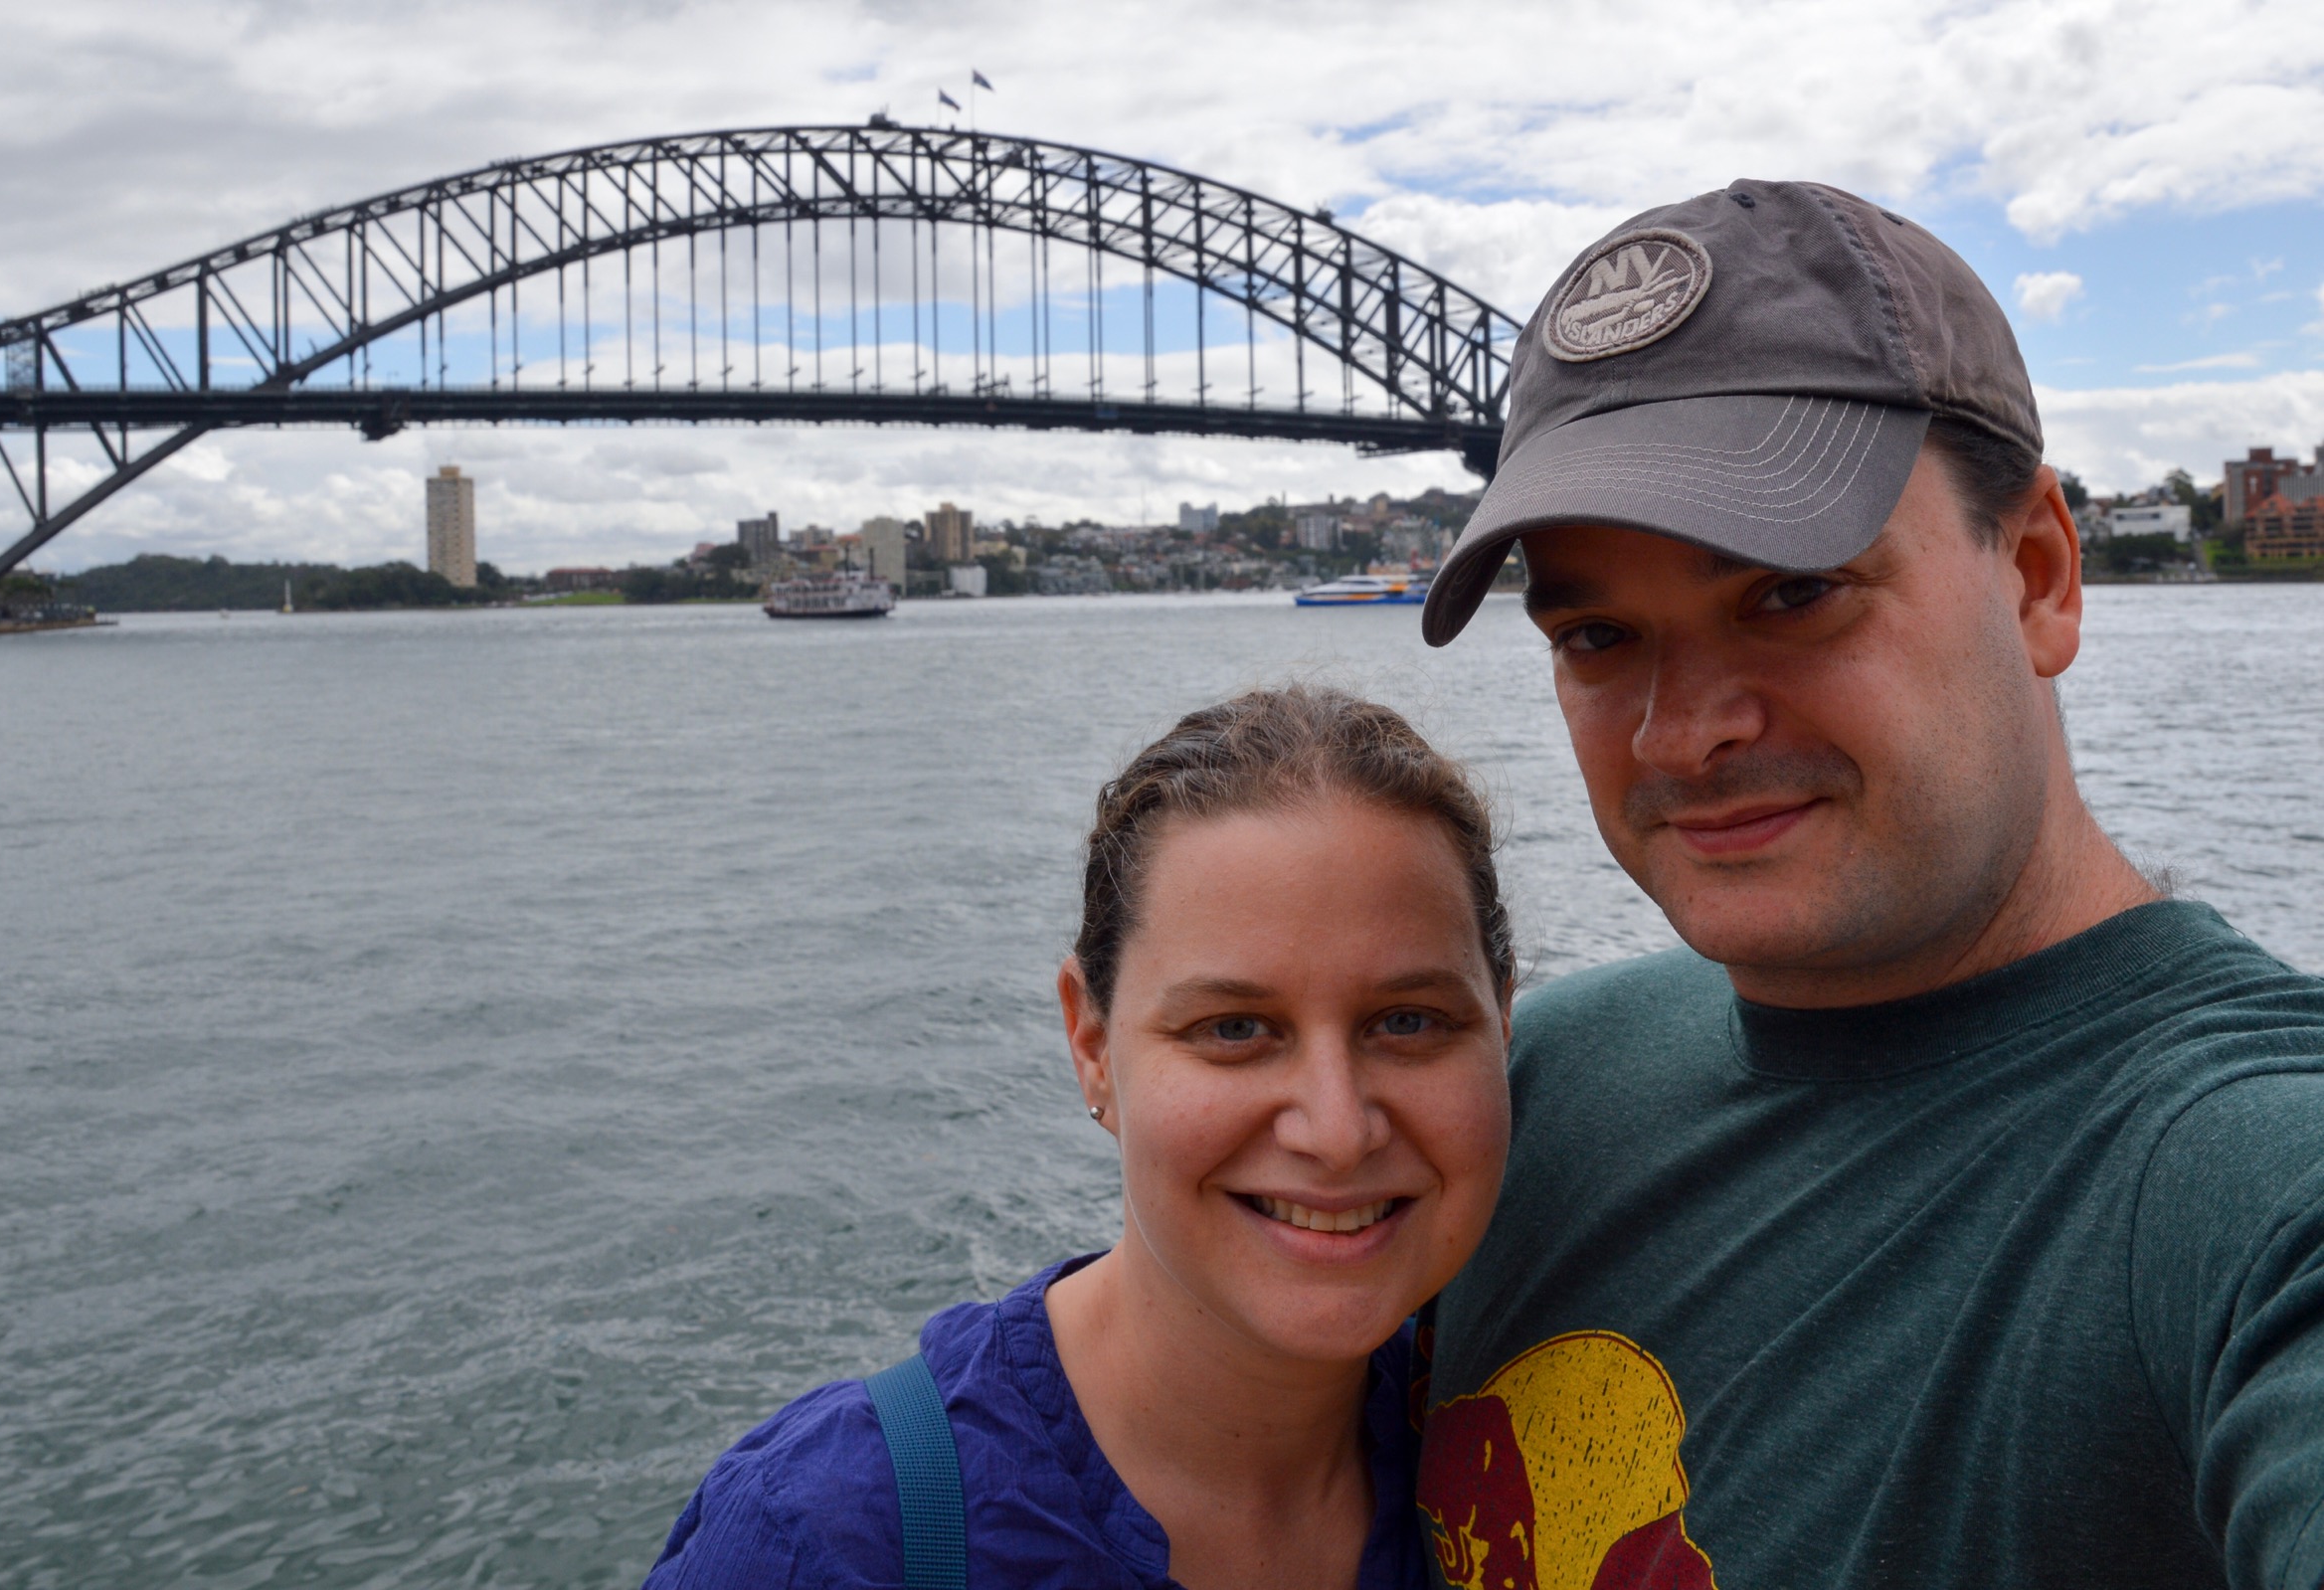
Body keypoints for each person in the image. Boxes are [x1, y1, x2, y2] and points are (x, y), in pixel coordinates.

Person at [1409, 179, 2324, 1590]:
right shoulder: (1527, 1091)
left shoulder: (2244, 1169)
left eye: (1788, 593)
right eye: (1595, 632)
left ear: (2034, 575)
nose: (1677, 731)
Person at [643, 685, 1517, 1589]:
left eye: (1408, 1021)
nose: (1337, 1130)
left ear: (1503, 1019)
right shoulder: (828, 1537)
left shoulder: (1522, 1447)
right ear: (1090, 1042)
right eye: (1232, 1028)